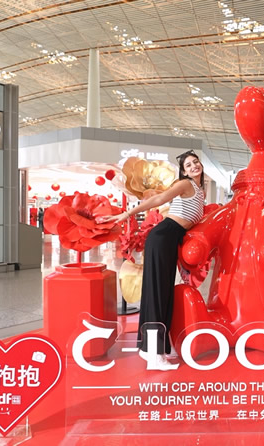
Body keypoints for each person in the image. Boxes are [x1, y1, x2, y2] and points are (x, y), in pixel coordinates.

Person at [98, 150, 205, 370]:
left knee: (162, 293)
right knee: (157, 294)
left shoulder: (199, 190)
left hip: (170, 239)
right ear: (184, 172)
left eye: (196, 162)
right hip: (163, 236)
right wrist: (127, 214)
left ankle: (156, 347)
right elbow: (158, 199)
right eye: (188, 165)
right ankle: (154, 355)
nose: (194, 166)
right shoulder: (185, 184)